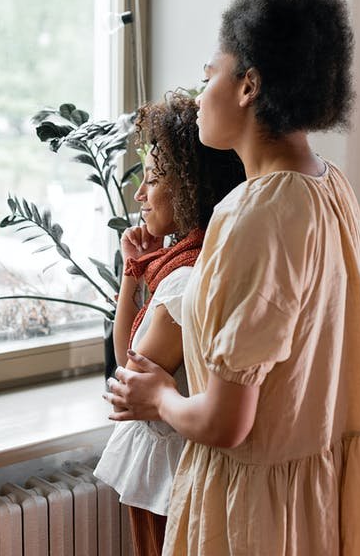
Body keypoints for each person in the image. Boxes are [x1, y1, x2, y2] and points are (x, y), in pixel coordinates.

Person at [106, 0, 360, 555]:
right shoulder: (330, 188)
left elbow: (226, 423)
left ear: (249, 86)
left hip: (253, 520)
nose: (202, 89)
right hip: (312, 506)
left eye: (210, 73)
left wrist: (158, 396)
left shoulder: (254, 212)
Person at [94, 91, 245, 556]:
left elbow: (128, 366)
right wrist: (132, 272)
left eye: (154, 178)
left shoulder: (184, 280)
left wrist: (133, 279)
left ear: (190, 187)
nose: (139, 193)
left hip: (165, 470)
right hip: (164, 462)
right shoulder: (187, 263)